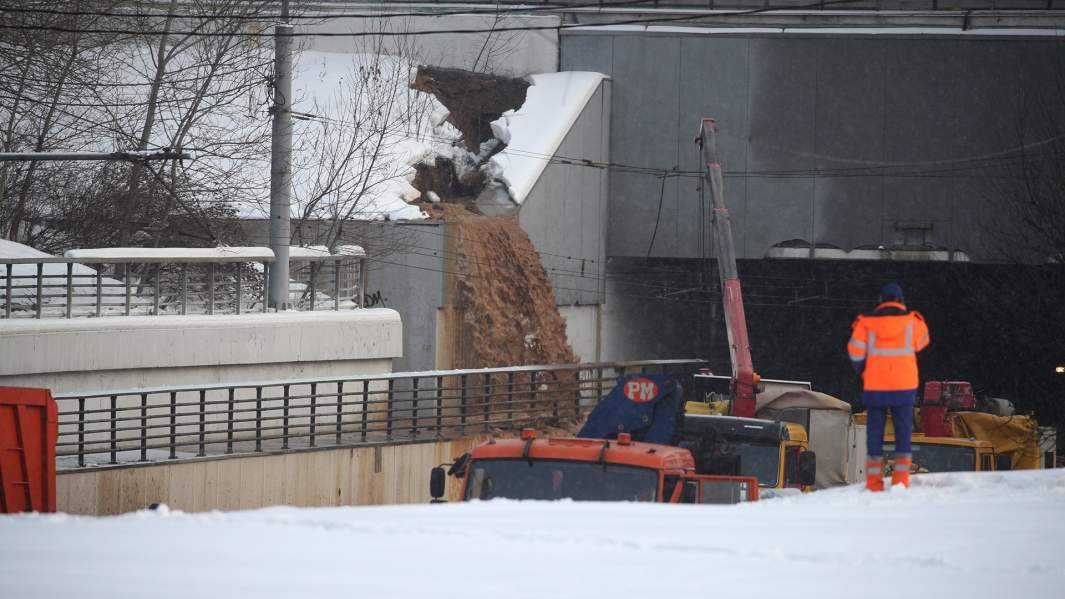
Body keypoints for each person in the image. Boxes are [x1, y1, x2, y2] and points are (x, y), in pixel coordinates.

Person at [847, 282, 930, 491]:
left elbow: (855, 354)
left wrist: (865, 372)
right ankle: (900, 480)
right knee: (903, 433)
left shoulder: (865, 323)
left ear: (880, 300)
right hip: (904, 386)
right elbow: (923, 343)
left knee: (875, 434)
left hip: (875, 386)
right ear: (901, 301)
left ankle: (874, 483)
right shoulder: (913, 322)